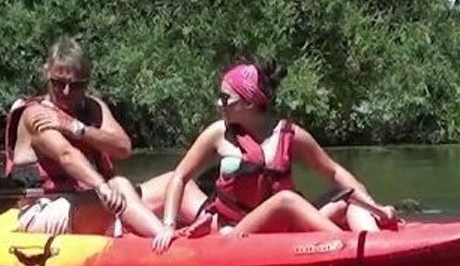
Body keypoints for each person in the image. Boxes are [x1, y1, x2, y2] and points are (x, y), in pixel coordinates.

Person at [153, 56, 396, 253]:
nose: (219, 104)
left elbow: (333, 171)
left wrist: (373, 205)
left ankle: (377, 245)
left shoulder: (291, 135)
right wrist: (168, 225)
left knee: (349, 197)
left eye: (226, 98)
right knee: (285, 200)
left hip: (284, 224)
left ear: (249, 102)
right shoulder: (218, 134)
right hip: (237, 228)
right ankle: (347, 246)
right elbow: (180, 177)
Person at [4, 35, 170, 237]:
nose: (66, 91)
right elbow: (66, 155)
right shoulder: (36, 115)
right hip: (43, 210)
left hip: (91, 201)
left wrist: (76, 128)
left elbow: (123, 148)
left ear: (86, 82)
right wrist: (102, 187)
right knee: (118, 185)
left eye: (76, 85)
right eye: (58, 83)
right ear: (47, 75)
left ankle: (215, 231)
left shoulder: (93, 108)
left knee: (173, 183)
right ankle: (165, 241)